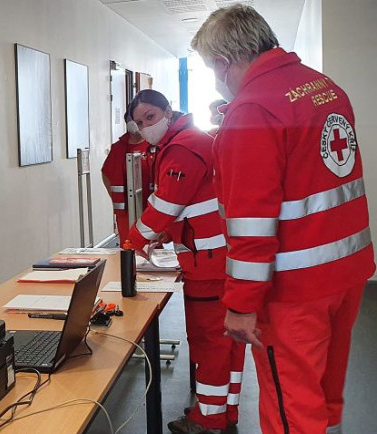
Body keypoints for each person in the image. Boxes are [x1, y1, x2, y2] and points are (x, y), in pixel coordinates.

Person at [192, 5, 375, 433]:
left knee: (290, 403)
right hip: (346, 273)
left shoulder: (253, 111)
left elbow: (251, 226)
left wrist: (240, 305)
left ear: (222, 62)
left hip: (294, 290)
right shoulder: (323, 87)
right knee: (322, 391)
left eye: (210, 68)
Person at [126, 89, 244, 434]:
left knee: (209, 340)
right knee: (227, 342)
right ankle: (225, 412)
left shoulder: (181, 147)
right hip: (221, 257)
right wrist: (170, 232)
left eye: (151, 117)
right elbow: (192, 201)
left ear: (167, 111)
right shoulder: (190, 139)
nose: (146, 126)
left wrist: (134, 242)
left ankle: (207, 419)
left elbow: (167, 202)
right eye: (140, 122)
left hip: (207, 264)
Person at [101, 114, 152, 246]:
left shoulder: (152, 144)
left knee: (152, 243)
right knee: (129, 244)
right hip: (126, 209)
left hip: (149, 205)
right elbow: (106, 173)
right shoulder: (118, 148)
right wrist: (115, 197)